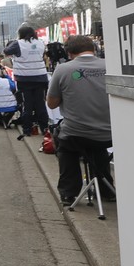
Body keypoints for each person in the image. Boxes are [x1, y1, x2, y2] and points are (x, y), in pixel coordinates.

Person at [47, 35, 114, 203]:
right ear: (94, 49)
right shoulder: (110, 65)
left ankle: (69, 192)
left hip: (76, 134)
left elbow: (52, 104)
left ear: (69, 53)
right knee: (98, 148)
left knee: (65, 144)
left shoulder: (63, 69)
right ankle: (106, 189)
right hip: (110, 134)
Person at [5, 23, 50, 140]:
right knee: (40, 104)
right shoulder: (40, 43)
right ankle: (45, 128)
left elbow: (6, 51)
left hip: (24, 78)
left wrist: (14, 41)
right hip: (40, 77)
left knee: (27, 104)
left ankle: (27, 129)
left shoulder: (18, 43)